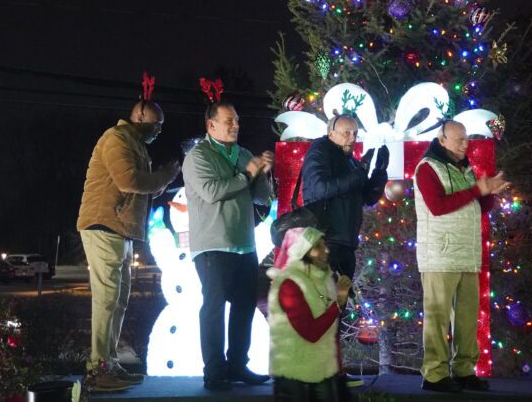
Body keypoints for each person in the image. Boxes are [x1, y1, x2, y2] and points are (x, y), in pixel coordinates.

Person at [76, 100, 178, 392]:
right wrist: (163, 177)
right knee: (107, 298)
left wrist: (161, 180)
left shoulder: (135, 145)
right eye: (156, 124)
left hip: (119, 229)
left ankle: (109, 363)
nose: (159, 131)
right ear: (141, 117)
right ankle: (98, 370)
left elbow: (141, 186)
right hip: (103, 224)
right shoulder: (116, 138)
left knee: (117, 299)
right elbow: (128, 181)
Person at [182, 102, 275, 391]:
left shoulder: (244, 154)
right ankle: (214, 372)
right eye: (228, 121)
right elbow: (211, 192)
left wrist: (264, 174)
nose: (235, 125)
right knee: (214, 306)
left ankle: (237, 364)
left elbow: (263, 198)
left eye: (236, 120)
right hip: (212, 245)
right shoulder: (198, 156)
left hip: (244, 244)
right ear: (211, 125)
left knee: (245, 305)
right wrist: (247, 174)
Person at [413, 120, 508, 393]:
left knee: (467, 317)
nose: (464, 143)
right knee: (438, 316)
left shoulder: (464, 168)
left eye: (465, 139)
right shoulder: (427, 168)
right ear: (441, 140)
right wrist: (478, 190)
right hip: (440, 255)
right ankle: (434, 374)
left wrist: (488, 194)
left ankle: (464, 370)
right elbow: (438, 207)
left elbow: (476, 206)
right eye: (458, 139)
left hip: (467, 253)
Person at [299, 114, 388, 282]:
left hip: (346, 243)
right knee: (323, 301)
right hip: (324, 241)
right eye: (346, 133)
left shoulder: (351, 162)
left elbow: (367, 198)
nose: (352, 138)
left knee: (339, 302)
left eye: (355, 133)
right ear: (331, 133)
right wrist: (359, 173)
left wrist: (379, 172)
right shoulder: (319, 152)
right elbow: (320, 189)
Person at [267, 226, 352, 402]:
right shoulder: (289, 284)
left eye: (324, 245)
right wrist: (338, 304)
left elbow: (329, 332)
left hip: (323, 370)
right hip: (296, 377)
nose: (326, 250)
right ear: (302, 252)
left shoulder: (324, 279)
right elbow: (310, 332)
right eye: (318, 247)